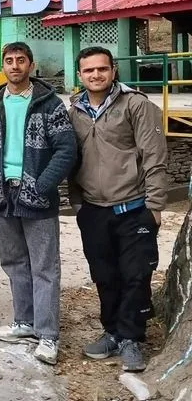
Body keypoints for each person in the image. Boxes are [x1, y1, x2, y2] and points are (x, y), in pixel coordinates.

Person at [0, 42, 76, 366]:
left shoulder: (49, 104)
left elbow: (66, 150)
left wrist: (41, 186)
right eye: (9, 60)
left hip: (38, 198)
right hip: (2, 196)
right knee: (14, 262)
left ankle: (48, 334)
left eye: (20, 60)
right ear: (2, 66)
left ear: (31, 65)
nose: (14, 66)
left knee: (44, 267)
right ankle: (24, 322)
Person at [68, 46, 167, 372]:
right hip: (94, 210)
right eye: (89, 70)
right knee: (104, 276)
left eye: (102, 69)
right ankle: (112, 332)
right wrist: (78, 202)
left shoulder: (136, 105)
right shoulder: (75, 110)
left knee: (136, 275)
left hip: (133, 207)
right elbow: (73, 159)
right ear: (80, 75)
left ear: (113, 71)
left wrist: (155, 205)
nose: (95, 75)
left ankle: (131, 339)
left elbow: (154, 156)